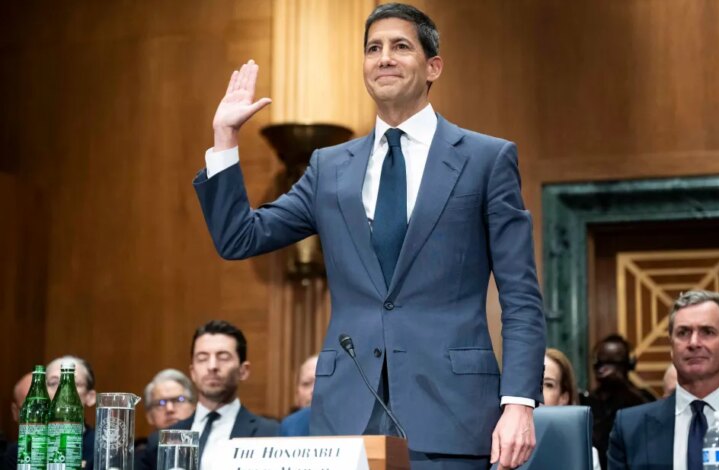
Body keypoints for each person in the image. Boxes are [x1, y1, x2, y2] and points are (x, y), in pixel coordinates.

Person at [193, 3, 546, 469]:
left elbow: (521, 296)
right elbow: (240, 237)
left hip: (452, 415)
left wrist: (519, 401)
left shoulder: (486, 159)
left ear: (433, 66)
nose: (384, 58)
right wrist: (224, 139)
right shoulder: (328, 167)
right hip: (346, 416)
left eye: (401, 46)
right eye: (373, 49)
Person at [608, 290, 719, 470]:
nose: (694, 343)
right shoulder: (630, 427)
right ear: (672, 347)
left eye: (707, 332)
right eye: (683, 333)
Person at [136, 320, 279, 470]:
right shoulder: (161, 441)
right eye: (202, 358)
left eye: (223, 357)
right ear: (192, 371)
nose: (212, 366)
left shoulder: (269, 434)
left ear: (243, 370)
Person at [587, 334, 655, 466]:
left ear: (628, 365)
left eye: (613, 363)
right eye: (601, 362)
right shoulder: (588, 401)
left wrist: (622, 386)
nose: (604, 369)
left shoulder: (641, 398)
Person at [543, 349, 601, 470]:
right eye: (532, 382)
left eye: (548, 384)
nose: (537, 391)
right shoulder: (499, 444)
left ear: (563, 397)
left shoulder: (583, 454)